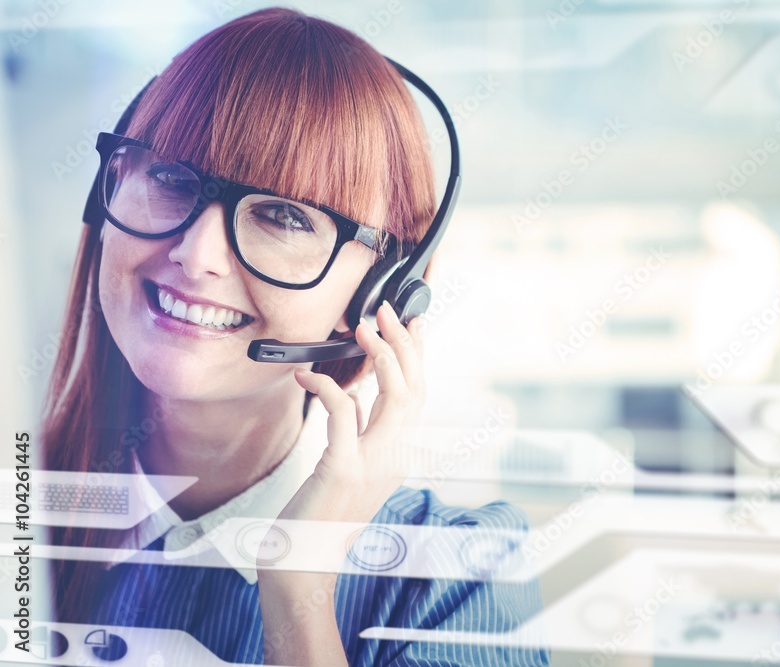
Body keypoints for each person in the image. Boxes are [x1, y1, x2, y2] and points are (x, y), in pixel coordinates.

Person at [41, 7, 549, 665]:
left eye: (283, 216)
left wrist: (299, 588)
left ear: (378, 291)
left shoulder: (450, 575)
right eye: (170, 178)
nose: (199, 255)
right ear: (110, 189)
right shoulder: (23, 504)